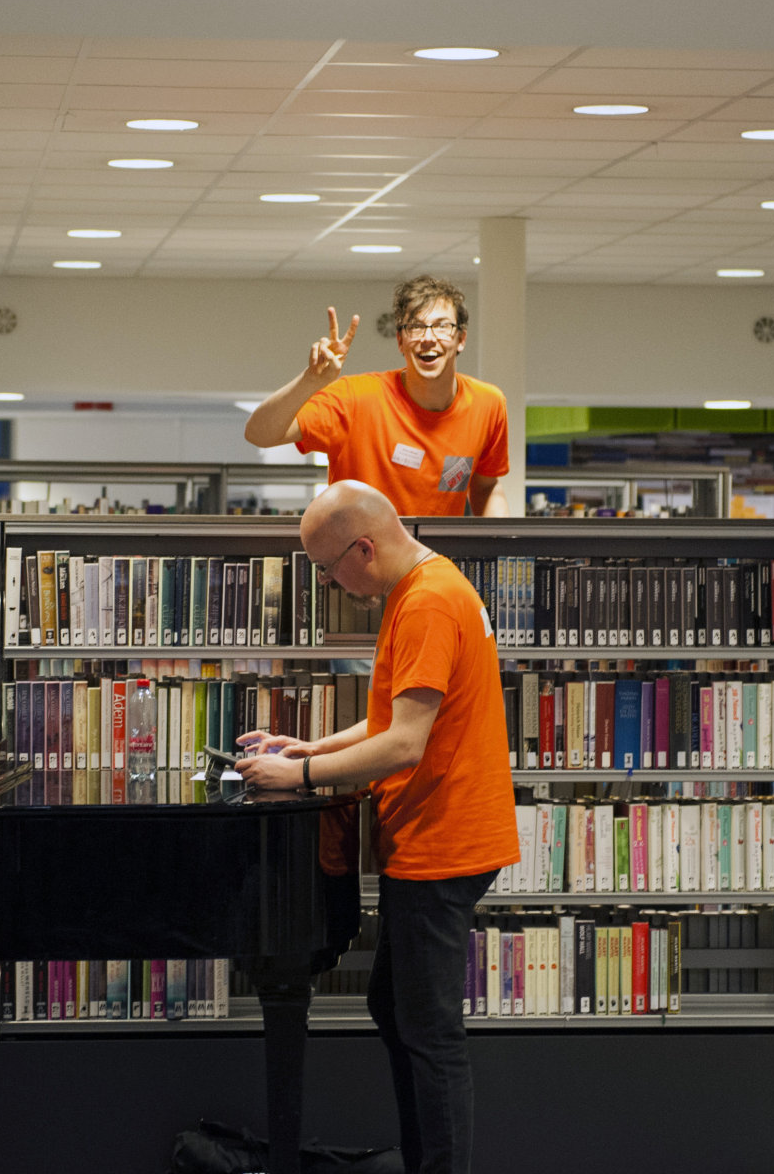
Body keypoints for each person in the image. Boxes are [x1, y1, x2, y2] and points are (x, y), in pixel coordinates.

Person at [234, 481, 518, 1174]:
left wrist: (297, 779)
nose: (332, 583)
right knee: (394, 1010)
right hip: (437, 837)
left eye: (329, 569)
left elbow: (403, 746)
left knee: (429, 1032)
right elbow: (393, 717)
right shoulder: (428, 584)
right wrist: (314, 748)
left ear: (363, 548)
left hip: (442, 843)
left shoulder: (425, 603)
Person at [243, 275, 510, 517]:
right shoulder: (355, 398)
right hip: (357, 564)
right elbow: (259, 434)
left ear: (460, 339)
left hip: (435, 566)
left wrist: (499, 552)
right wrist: (310, 381)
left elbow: (486, 486)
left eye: (442, 326)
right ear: (400, 341)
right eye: (416, 327)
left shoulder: (488, 404)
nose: (429, 338)